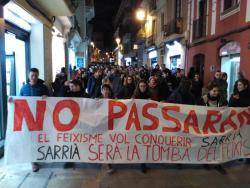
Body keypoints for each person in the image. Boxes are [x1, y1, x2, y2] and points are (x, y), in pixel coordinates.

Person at [20, 68, 49, 172]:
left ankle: (38, 157)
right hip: (28, 120)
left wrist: (47, 97)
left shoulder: (43, 87)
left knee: (39, 140)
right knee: (31, 141)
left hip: (41, 119)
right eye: (32, 75)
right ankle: (33, 162)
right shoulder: (23, 88)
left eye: (36, 75)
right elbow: (20, 102)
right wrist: (12, 101)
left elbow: (51, 101)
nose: (34, 77)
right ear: (29, 76)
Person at [198, 82, 228, 174]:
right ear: (209, 90)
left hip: (218, 126)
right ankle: (205, 162)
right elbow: (198, 111)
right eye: (214, 91)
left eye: (217, 91)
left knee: (218, 145)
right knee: (207, 144)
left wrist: (225, 108)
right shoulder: (203, 99)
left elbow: (227, 110)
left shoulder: (222, 99)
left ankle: (218, 164)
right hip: (206, 126)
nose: (216, 92)